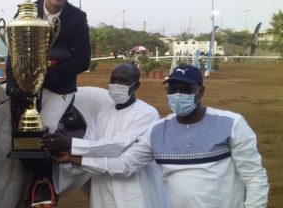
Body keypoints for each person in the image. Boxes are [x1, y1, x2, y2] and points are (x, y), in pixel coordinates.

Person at [53, 64, 269, 207]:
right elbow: (125, 164)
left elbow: (255, 177)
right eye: (172, 88)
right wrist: (72, 158)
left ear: (200, 91)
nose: (177, 94)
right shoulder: (159, 130)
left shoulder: (232, 124)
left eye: (185, 89)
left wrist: (73, 145)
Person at [5, 0, 91, 207]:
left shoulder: (77, 18)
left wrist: (44, 77)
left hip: (59, 87)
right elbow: (13, 53)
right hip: (25, 82)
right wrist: (14, 83)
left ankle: (44, 182)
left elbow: (83, 60)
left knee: (47, 129)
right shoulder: (24, 12)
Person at [43, 63, 168, 208]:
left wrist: (71, 145)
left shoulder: (146, 113)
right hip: (102, 191)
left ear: (136, 86)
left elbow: (118, 147)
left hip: (133, 193)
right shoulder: (103, 113)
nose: (116, 84)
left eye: (123, 81)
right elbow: (89, 145)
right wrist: (67, 157)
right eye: (113, 80)